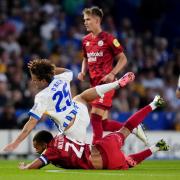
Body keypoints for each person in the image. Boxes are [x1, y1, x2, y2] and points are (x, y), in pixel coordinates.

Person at [2, 59, 135, 152]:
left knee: (82, 159)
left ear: (43, 80)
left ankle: (116, 153)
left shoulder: (41, 97)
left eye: (35, 79)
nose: (33, 82)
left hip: (72, 131)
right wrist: (48, 68)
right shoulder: (61, 78)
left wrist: (16, 143)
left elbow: (31, 124)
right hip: (81, 112)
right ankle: (116, 84)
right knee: (81, 97)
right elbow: (67, 70)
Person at [18, 95, 169, 170]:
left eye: (36, 146)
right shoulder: (61, 135)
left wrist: (26, 167)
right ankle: (154, 104)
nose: (36, 149)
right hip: (103, 146)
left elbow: (38, 164)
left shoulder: (51, 150)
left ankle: (155, 147)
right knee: (126, 129)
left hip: (102, 162)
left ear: (44, 143)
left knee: (128, 163)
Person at [78, 6, 145, 144]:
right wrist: (82, 71)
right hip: (94, 86)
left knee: (95, 118)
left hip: (106, 85)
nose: (85, 22)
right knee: (103, 124)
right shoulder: (85, 40)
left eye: (88, 19)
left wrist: (112, 73)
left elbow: (123, 58)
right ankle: (133, 128)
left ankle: (95, 152)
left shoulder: (108, 38)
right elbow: (85, 58)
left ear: (97, 20)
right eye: (84, 19)